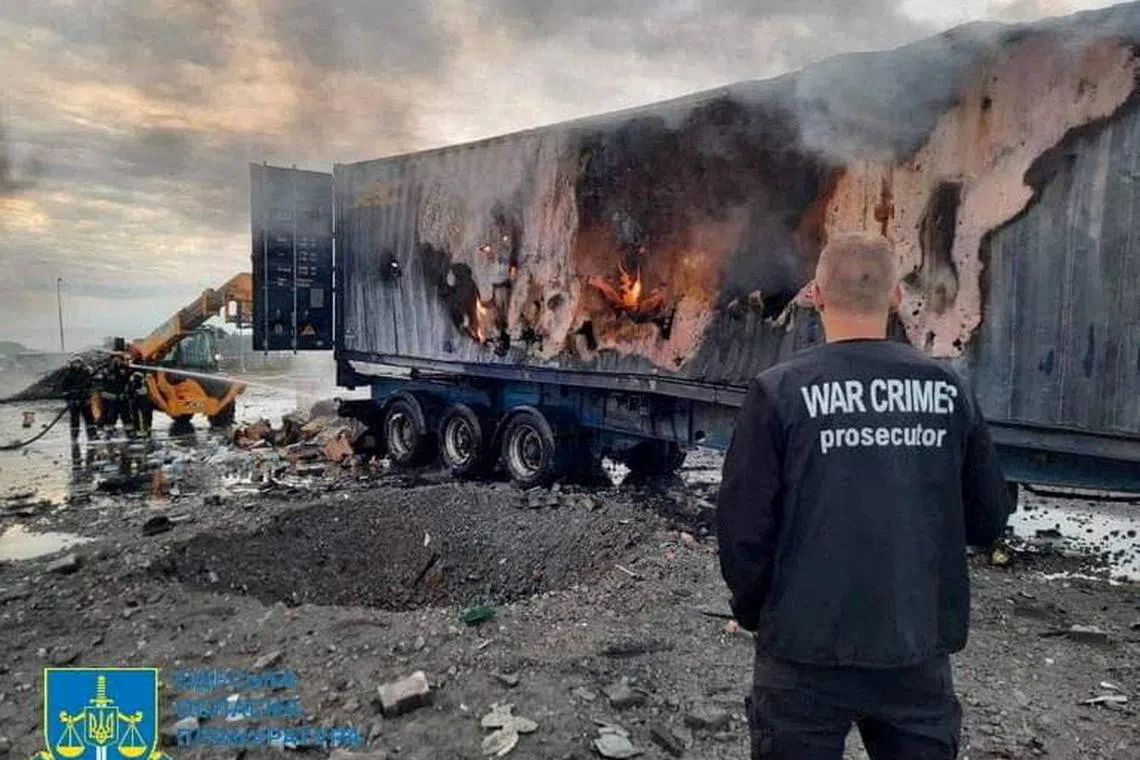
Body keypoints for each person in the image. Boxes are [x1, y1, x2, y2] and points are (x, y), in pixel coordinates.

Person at [716, 232, 1013, 760]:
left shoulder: (778, 391)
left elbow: (742, 531)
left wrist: (757, 611)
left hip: (802, 653)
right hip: (914, 648)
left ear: (816, 295)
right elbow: (988, 518)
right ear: (897, 298)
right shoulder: (947, 391)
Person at [61, 356, 97, 443]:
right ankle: (74, 436)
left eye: (78, 363)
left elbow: (91, 386)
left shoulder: (86, 373)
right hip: (74, 401)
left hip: (84, 400)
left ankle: (92, 435)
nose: (76, 365)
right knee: (74, 419)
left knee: (89, 418)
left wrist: (87, 395)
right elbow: (64, 388)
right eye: (74, 363)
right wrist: (70, 396)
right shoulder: (68, 374)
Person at [95, 354, 130, 436]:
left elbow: (127, 381)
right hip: (109, 398)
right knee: (110, 416)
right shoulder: (105, 370)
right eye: (115, 359)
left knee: (126, 415)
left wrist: (125, 393)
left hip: (122, 397)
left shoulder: (125, 370)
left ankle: (129, 431)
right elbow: (100, 385)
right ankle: (109, 432)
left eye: (119, 359)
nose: (117, 361)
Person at [126, 370, 153, 436]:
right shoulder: (135, 378)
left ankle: (142, 429)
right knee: (140, 414)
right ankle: (142, 430)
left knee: (143, 414)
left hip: (142, 399)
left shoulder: (143, 378)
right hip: (139, 399)